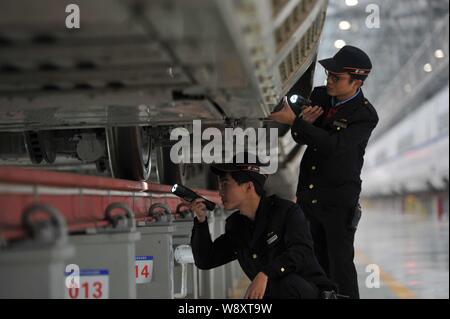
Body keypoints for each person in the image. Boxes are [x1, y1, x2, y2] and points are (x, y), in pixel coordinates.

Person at [269, 45, 379, 299]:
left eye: (336, 77)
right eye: (328, 75)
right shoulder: (319, 96)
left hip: (339, 201)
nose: (328, 81)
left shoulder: (364, 115)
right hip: (310, 194)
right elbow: (300, 137)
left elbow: (334, 146)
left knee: (339, 264)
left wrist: (297, 122)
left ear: (356, 82)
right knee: (314, 262)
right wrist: (301, 125)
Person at [189, 153, 336, 299]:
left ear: (248, 186)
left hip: (307, 293)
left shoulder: (287, 212)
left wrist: (265, 274)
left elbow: (300, 251)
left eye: (225, 184)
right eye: (220, 185)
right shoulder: (237, 226)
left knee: (284, 283)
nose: (220, 191)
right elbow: (205, 260)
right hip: (274, 295)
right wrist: (201, 221)